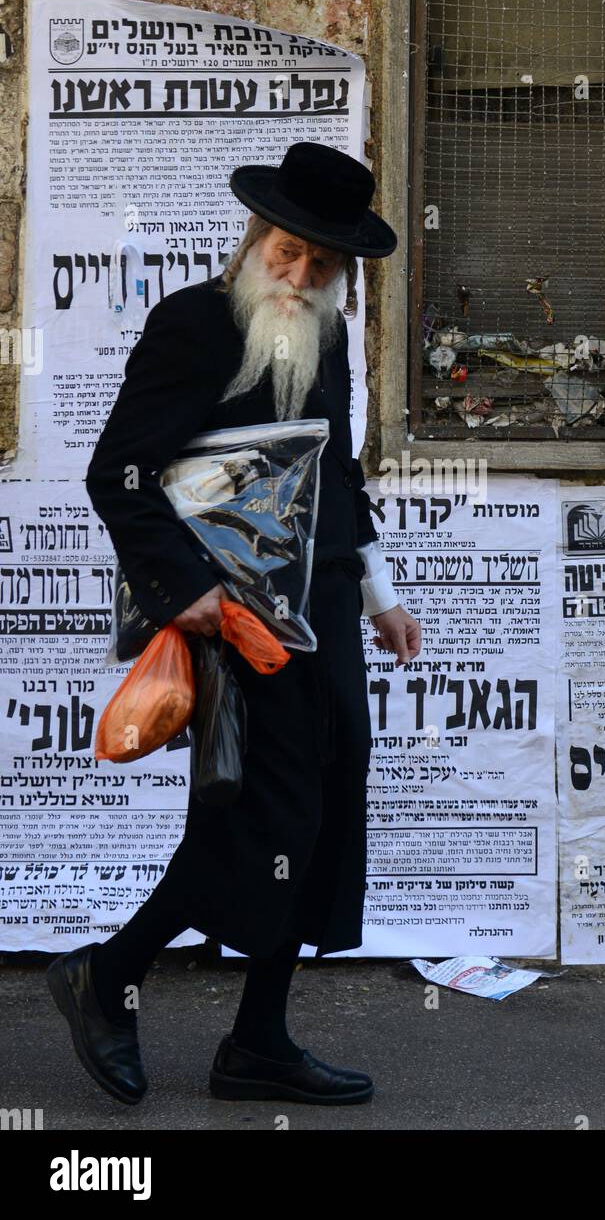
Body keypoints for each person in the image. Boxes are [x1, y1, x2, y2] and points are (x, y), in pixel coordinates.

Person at [46, 141, 421, 1107]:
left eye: (322, 263)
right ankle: (109, 974)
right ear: (258, 238)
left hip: (324, 612)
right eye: (288, 252)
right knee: (256, 812)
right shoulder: (195, 325)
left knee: (320, 811)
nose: (300, 276)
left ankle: (256, 1040)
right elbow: (118, 474)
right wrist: (183, 591)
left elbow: (338, 474)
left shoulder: (331, 340)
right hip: (233, 614)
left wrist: (378, 594)